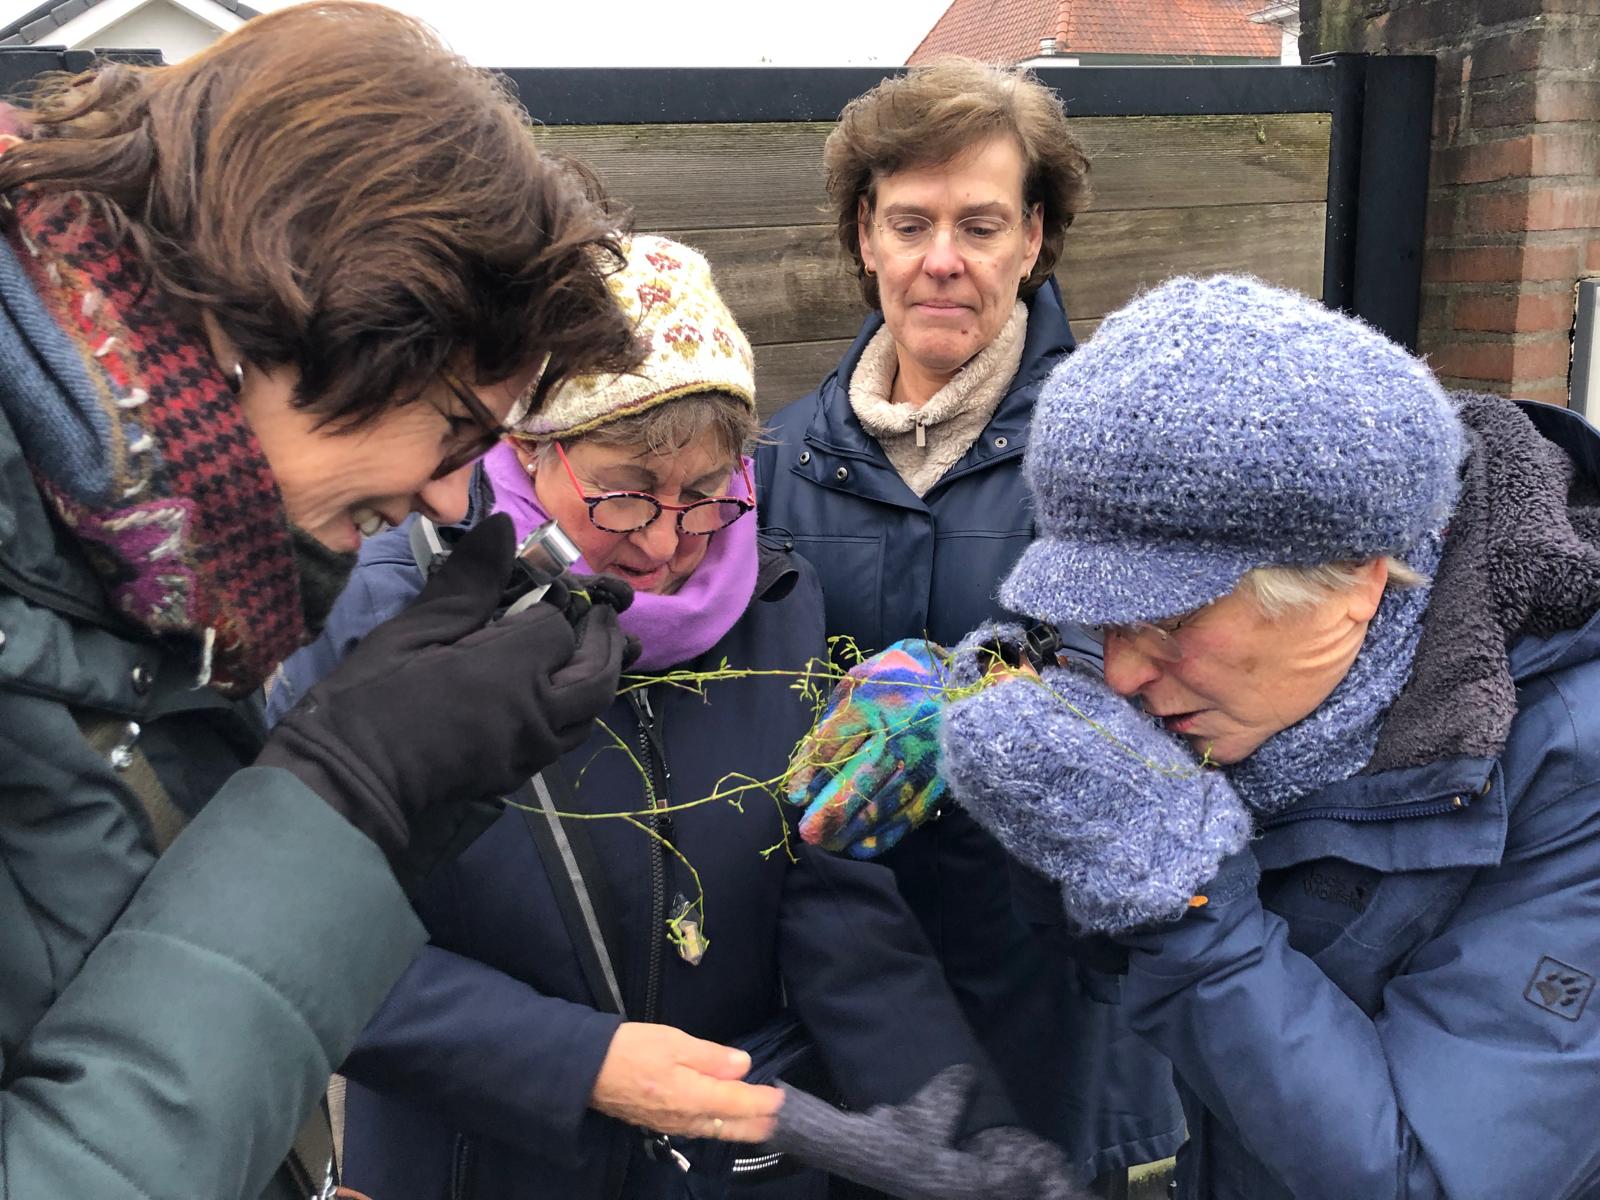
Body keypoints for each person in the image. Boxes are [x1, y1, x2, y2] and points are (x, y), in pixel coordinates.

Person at [269, 236, 1071, 1200]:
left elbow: (823, 893)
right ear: (527, 447)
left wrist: (960, 1121)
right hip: (481, 1162)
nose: (666, 543)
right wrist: (587, 1062)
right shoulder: (386, 615)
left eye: (705, 494)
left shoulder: (777, 601)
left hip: (729, 1167)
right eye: (622, 492)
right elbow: (305, 957)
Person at [0, 6, 638, 1197]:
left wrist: (404, 796)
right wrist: (344, 794)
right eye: (455, 432)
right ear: (287, 307)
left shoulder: (154, 568)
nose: (456, 499)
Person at [935, 274, 1600, 1198]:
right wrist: (1031, 729)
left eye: (1164, 624)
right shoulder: (1252, 660)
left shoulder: (1568, 764)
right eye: (1101, 617)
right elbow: (1102, 958)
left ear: (1358, 579)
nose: (1124, 671)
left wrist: (1180, 887)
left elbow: (1429, 1179)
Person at [756, 58, 1182, 1189]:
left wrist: (982, 690)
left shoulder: (1114, 452)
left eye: (980, 224)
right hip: (847, 996)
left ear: (1033, 240)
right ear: (865, 238)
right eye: (911, 222)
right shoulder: (774, 462)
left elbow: (1185, 693)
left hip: (1059, 990)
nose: (942, 258)